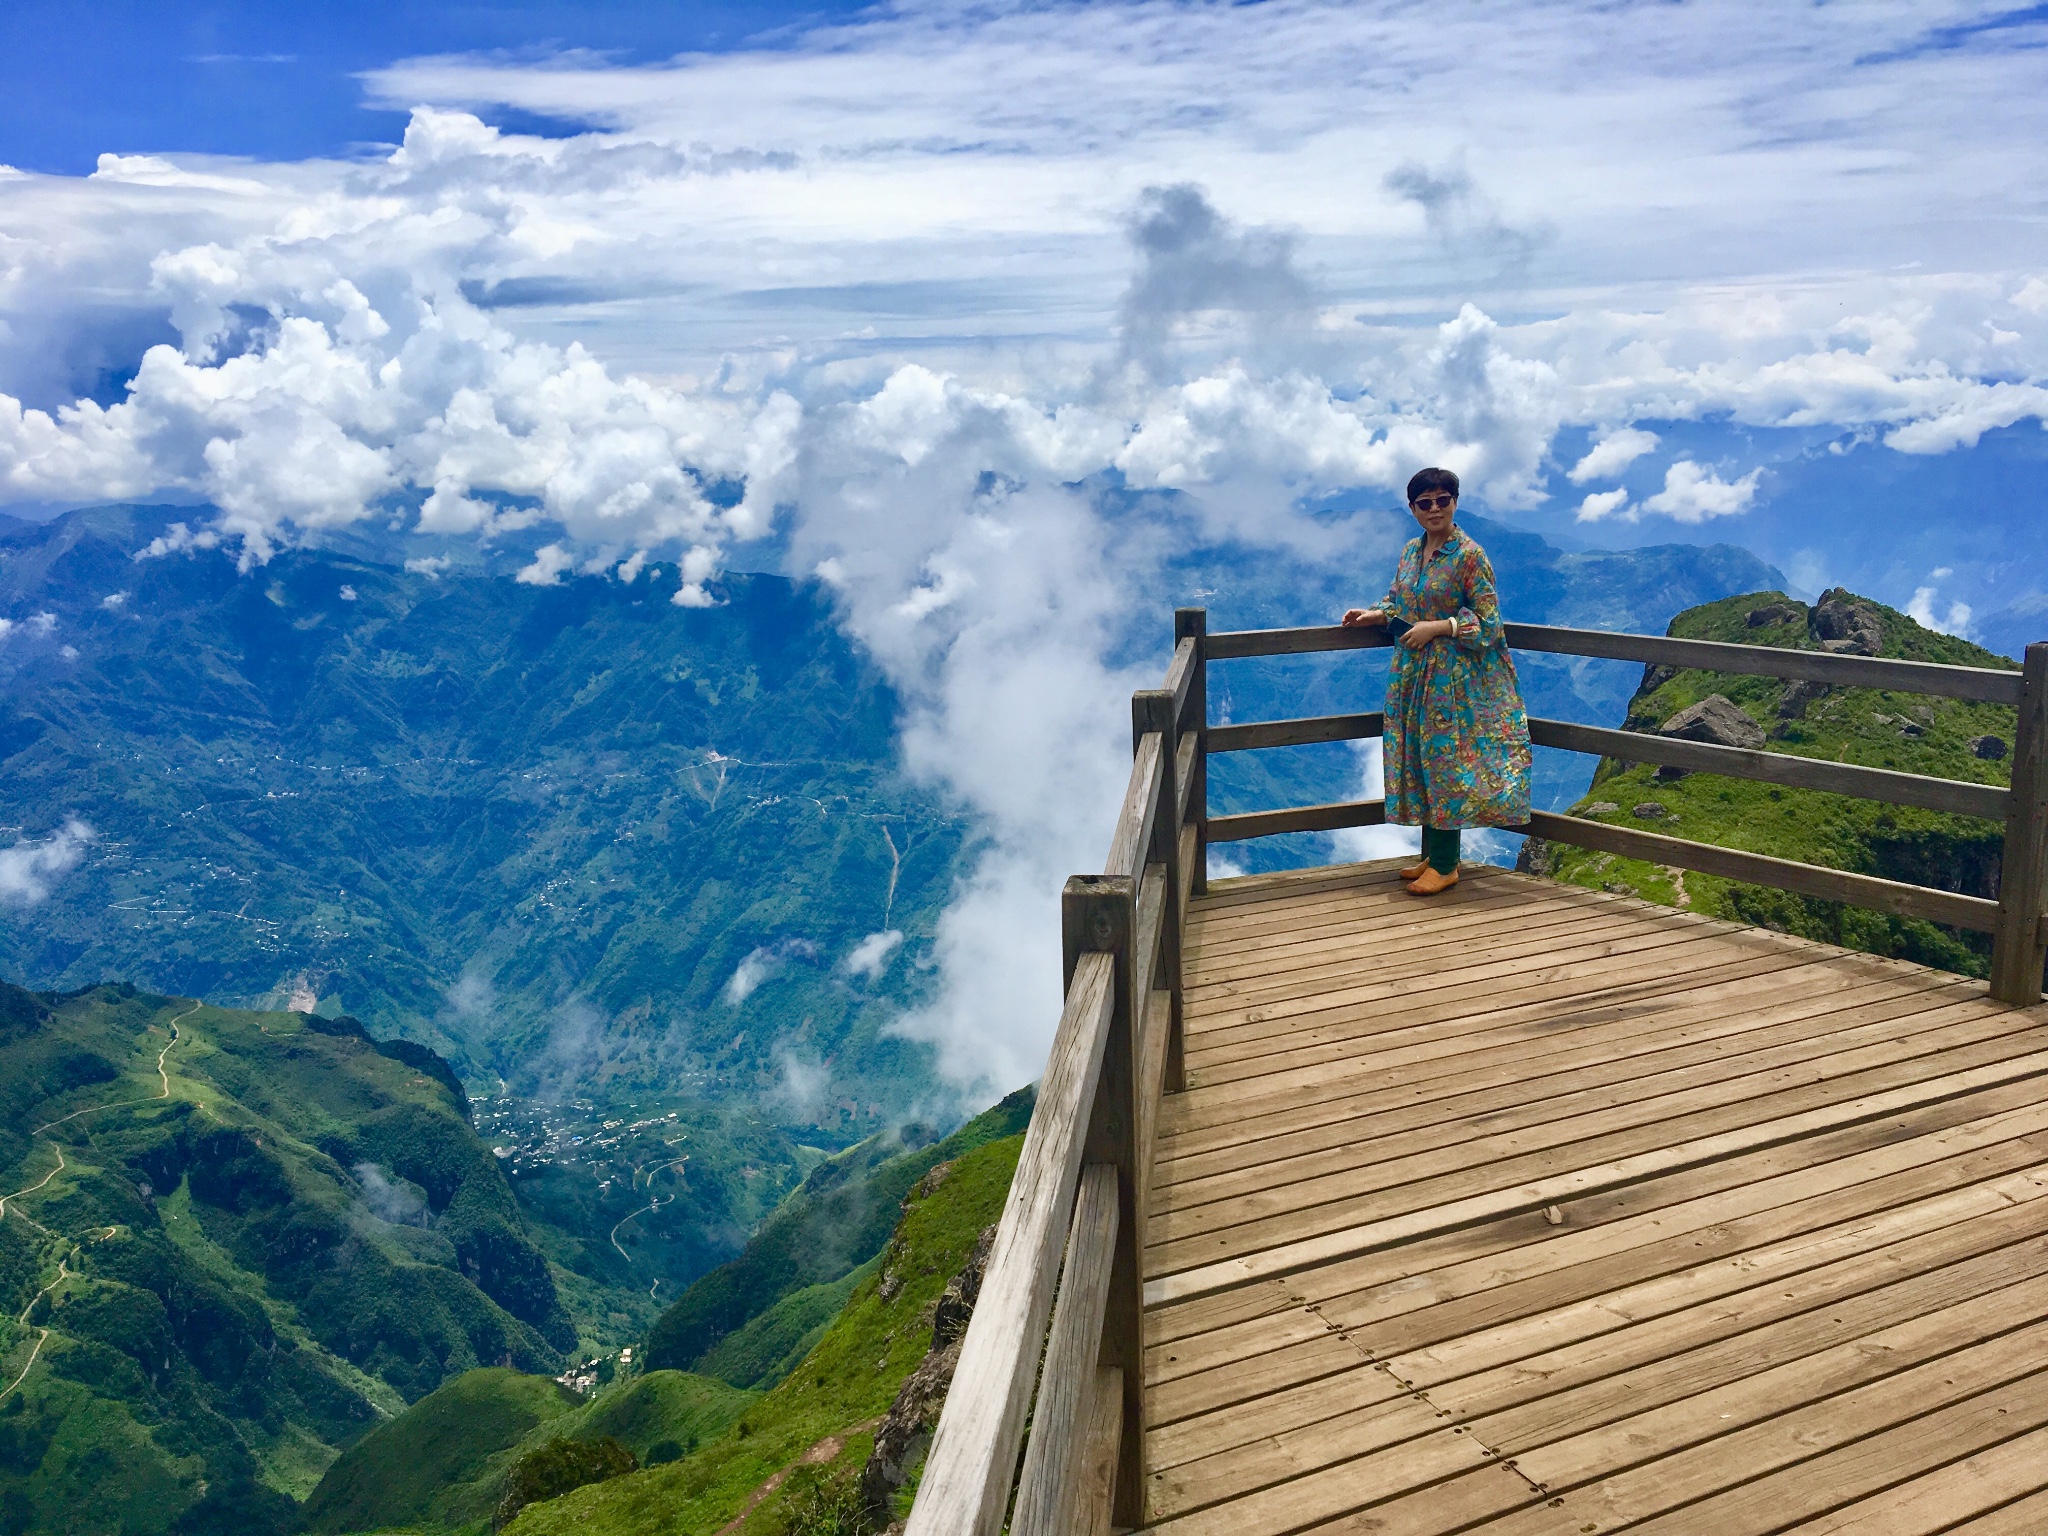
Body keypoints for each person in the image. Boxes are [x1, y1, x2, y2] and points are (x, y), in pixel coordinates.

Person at [1342, 468, 1531, 895]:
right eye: (1424, 503)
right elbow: (1400, 600)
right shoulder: (1412, 551)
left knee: (1446, 765)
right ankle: (1437, 853)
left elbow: (1489, 624)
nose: (1434, 509)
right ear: (1412, 509)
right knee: (1422, 758)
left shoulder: (1469, 556)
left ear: (1455, 502)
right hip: (1414, 674)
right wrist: (1376, 614)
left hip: (1454, 681)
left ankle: (1446, 864)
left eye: (1442, 500)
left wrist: (1440, 627)